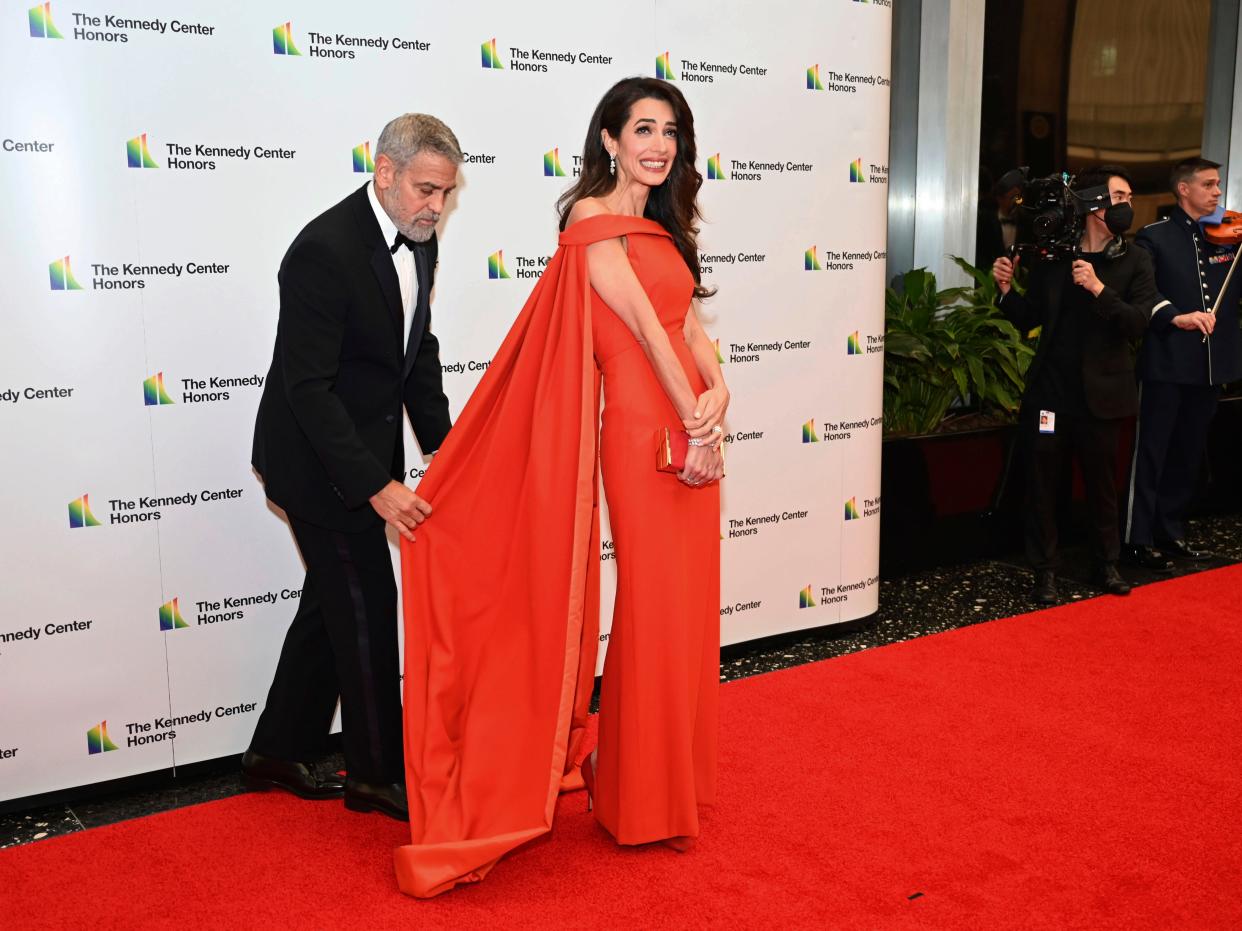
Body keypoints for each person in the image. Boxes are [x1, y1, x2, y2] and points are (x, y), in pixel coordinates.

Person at [393, 77, 727, 897]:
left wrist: (720, 394)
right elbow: (645, 334)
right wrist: (694, 420)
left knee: (686, 607)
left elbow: (688, 326)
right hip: (648, 426)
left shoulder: (664, 226)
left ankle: (645, 779)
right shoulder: (589, 219)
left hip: (693, 425)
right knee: (650, 602)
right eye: (643, 129)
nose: (659, 144)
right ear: (609, 139)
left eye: (671, 132)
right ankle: (638, 802)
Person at [243, 114, 461, 821]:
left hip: (362, 445)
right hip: (314, 460)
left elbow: (414, 354)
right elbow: (308, 388)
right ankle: (375, 774)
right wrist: (375, 484)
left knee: (332, 603)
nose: (435, 206)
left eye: (446, 194)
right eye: (427, 189)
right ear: (386, 171)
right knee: (366, 603)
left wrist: (447, 450)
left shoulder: (420, 242)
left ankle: (277, 747)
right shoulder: (322, 250)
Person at [992, 165, 1158, 605]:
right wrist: (1006, 292)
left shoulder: (1136, 259)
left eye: (1128, 197)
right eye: (1119, 197)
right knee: (1043, 485)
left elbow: (1138, 322)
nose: (1127, 205)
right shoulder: (1054, 258)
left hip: (1104, 395)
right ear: (1092, 204)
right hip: (1051, 394)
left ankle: (1105, 564)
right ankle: (1044, 571)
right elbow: (1032, 319)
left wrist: (1099, 288)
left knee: (1103, 486)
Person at [1123, 158, 1240, 568]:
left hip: (1211, 366)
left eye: (1218, 185)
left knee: (1188, 454)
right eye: (1209, 185)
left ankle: (1169, 531)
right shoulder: (1153, 237)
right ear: (1184, 190)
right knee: (1152, 451)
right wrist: (1175, 314)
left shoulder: (1228, 236)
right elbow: (1143, 292)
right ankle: (1136, 538)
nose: (1218, 193)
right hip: (1167, 363)